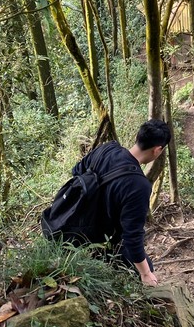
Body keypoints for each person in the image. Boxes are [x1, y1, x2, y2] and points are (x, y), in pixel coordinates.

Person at [70, 119, 170, 287]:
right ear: (157, 150)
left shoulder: (106, 149)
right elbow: (132, 237)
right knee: (147, 269)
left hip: (70, 221)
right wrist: (145, 274)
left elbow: (76, 172)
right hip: (98, 241)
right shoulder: (139, 186)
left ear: (138, 136)